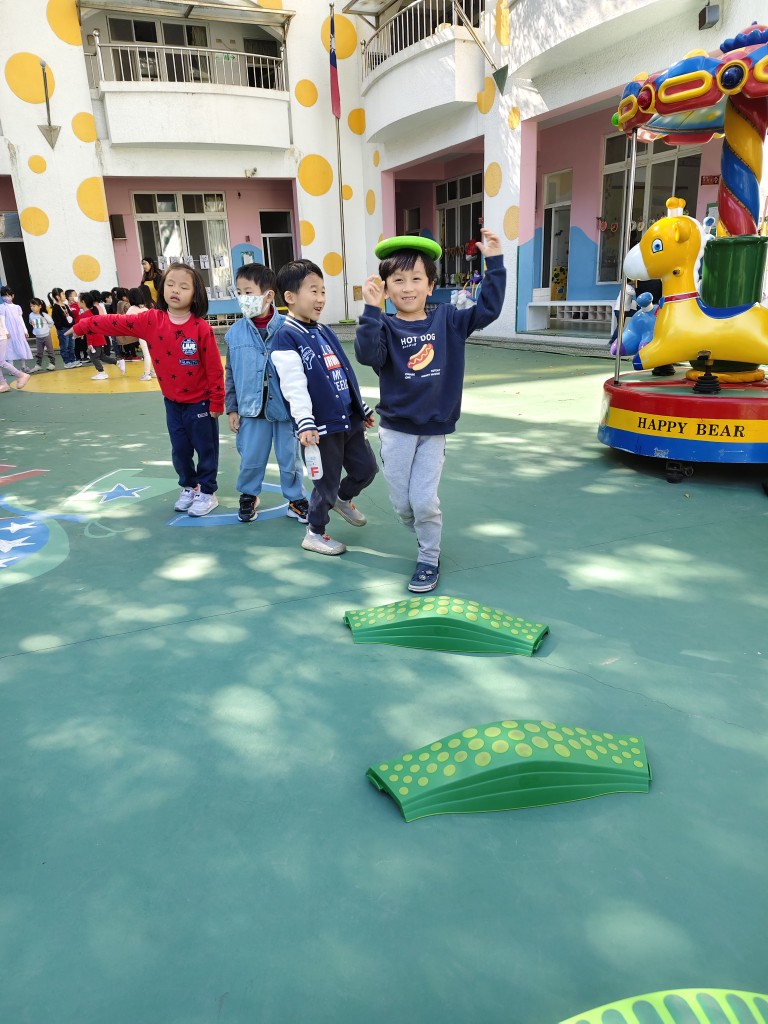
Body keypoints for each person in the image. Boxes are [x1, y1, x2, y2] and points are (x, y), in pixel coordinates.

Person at [356, 228, 506, 592]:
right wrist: (371, 311)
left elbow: (488, 309)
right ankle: (426, 530)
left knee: (424, 502)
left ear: (431, 285)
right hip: (396, 430)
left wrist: (495, 263)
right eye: (398, 280)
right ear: (386, 288)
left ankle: (428, 556)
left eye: (416, 279)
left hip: (434, 430)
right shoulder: (384, 326)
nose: (407, 288)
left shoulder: (449, 319)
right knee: (403, 506)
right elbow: (367, 354)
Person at [73, 264, 225, 517]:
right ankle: (190, 487)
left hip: (200, 403)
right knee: (180, 451)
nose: (175, 290)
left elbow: (214, 369)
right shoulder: (152, 320)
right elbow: (116, 323)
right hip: (172, 403)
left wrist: (217, 402)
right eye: (170, 284)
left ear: (196, 294)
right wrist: (84, 325)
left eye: (184, 287)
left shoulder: (201, 329)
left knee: (206, 449)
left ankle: (208, 492)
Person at [271, 259, 377, 555]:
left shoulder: (324, 331)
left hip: (348, 418)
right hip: (320, 427)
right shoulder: (285, 337)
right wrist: (304, 422)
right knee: (325, 483)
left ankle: (343, 498)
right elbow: (293, 385)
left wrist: (361, 408)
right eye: (313, 291)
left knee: (367, 469)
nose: (320, 298)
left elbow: (342, 373)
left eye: (323, 291)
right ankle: (315, 532)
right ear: (290, 297)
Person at [225, 263, 308, 524]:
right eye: (239, 292)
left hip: (284, 410)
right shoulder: (234, 333)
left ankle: (295, 499)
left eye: (248, 292)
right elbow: (231, 372)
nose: (243, 298)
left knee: (289, 458)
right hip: (250, 409)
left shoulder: (289, 328)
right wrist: (232, 408)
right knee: (251, 457)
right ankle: (249, 495)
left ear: (269, 295)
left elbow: (303, 371)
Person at [81, 291, 123, 380]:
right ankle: (117, 362)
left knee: (93, 356)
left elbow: (90, 331)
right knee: (101, 356)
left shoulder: (86, 315)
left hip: (95, 339)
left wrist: (90, 343)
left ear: (83, 302)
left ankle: (101, 372)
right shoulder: (90, 312)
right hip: (99, 337)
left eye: (78, 300)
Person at [0, 287, 34, 372]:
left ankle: (23, 366)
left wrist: (25, 330)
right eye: (4, 296)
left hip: (18, 330)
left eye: (8, 296)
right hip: (9, 331)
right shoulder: (2, 307)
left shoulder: (17, 307)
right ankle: (12, 369)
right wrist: (6, 331)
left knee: (21, 346)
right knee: (10, 348)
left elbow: (21, 319)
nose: (6, 298)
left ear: (12, 296)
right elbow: (2, 320)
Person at [125, 287, 155, 381]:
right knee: (152, 353)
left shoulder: (132, 309)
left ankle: (147, 374)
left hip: (143, 334)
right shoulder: (145, 308)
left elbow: (126, 321)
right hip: (152, 333)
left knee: (146, 354)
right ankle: (153, 371)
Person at [0, 303, 30, 392]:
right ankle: (3, 384)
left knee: (1, 361)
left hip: (1, 337)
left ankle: (21, 375)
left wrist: (24, 330)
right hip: (2, 337)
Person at [50, 289, 78, 368]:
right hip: (63, 330)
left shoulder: (65, 305)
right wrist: (61, 327)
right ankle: (67, 362)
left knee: (71, 345)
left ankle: (72, 360)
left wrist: (73, 325)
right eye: (62, 294)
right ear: (57, 296)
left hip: (70, 328)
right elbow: (56, 320)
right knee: (64, 346)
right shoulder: (56, 307)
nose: (64, 295)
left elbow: (71, 315)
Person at [28, 298, 56, 371]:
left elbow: (51, 322)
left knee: (50, 350)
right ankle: (38, 365)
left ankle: (52, 363)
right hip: (38, 337)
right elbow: (30, 322)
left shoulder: (44, 315)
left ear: (39, 306)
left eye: (34, 306)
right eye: (31, 306)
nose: (32, 307)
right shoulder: (31, 315)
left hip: (46, 336)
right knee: (39, 351)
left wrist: (47, 329)